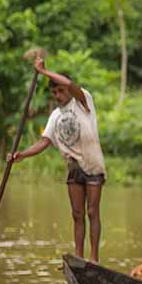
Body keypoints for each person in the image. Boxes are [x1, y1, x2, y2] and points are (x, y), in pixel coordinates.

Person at [7, 54, 106, 262]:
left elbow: (70, 83)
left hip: (93, 164)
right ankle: (79, 258)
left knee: (91, 211)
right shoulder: (55, 116)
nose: (58, 95)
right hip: (74, 168)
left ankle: (94, 259)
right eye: (55, 92)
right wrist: (21, 155)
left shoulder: (82, 101)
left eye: (61, 91)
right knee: (77, 214)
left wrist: (43, 72)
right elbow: (44, 142)